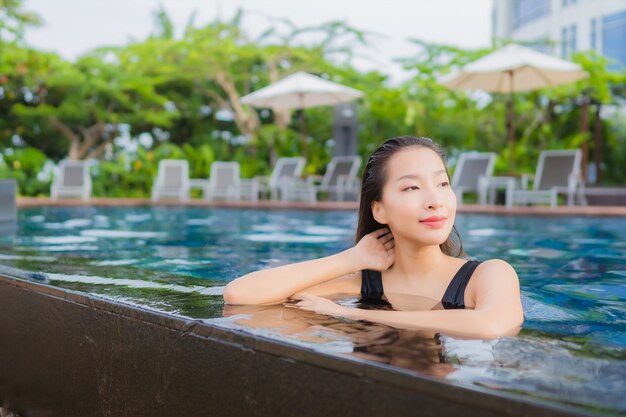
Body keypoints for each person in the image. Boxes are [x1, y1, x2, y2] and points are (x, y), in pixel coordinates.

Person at [223, 136, 524, 338]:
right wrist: (352, 257)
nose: (436, 200)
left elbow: (492, 324)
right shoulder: (361, 282)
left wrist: (351, 316)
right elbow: (240, 295)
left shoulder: (488, 275)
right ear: (379, 210)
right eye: (411, 188)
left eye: (442, 183)